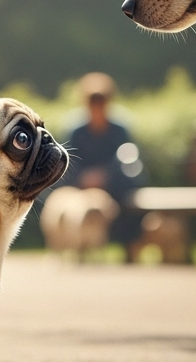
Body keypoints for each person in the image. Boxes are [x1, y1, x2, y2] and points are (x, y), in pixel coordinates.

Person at [57, 73, 145, 249]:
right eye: (93, 102)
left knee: (132, 192)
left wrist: (106, 176)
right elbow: (68, 162)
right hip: (81, 185)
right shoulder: (76, 131)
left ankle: (130, 245)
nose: (97, 107)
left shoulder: (120, 130)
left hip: (113, 185)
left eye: (101, 101)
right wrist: (84, 177)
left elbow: (127, 160)